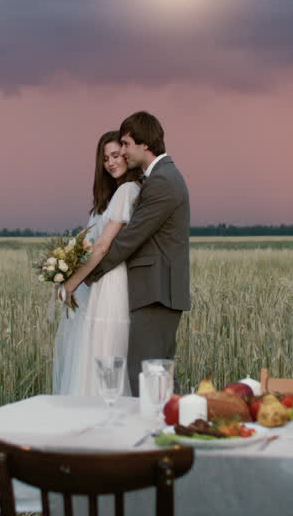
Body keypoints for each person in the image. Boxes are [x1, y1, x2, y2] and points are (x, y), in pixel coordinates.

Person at [84, 111, 189, 396]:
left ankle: (166, 434)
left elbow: (129, 239)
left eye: (127, 145)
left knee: (147, 375)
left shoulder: (162, 181)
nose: (124, 152)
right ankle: (176, 431)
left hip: (157, 290)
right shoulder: (160, 178)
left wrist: (86, 274)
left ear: (145, 144)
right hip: (155, 290)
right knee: (157, 374)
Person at [52, 131, 142, 396]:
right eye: (105, 159)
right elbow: (87, 244)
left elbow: (102, 246)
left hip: (111, 283)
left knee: (103, 351)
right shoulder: (109, 197)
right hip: (95, 282)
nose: (111, 163)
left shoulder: (128, 190)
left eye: (116, 155)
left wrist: (70, 283)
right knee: (89, 353)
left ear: (127, 155)